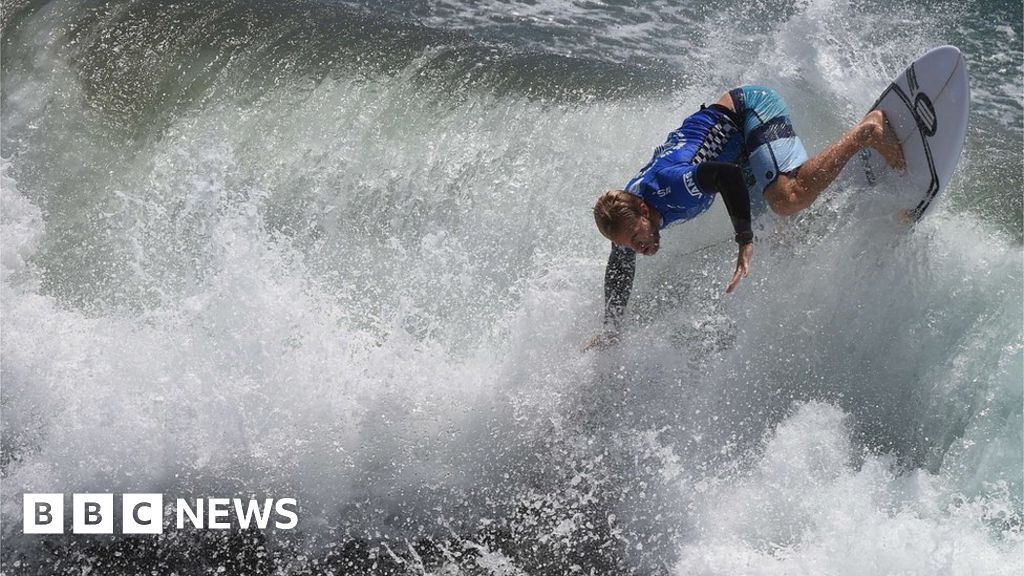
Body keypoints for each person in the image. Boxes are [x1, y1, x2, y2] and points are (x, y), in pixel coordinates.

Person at [590, 85, 904, 345]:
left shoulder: (672, 187)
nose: (637, 248)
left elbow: (726, 177)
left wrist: (744, 240)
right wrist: (612, 330)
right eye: (629, 244)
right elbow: (619, 264)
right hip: (737, 153)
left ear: (644, 210)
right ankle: (840, 191)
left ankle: (867, 132)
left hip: (748, 113)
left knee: (786, 200)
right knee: (782, 236)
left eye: (635, 238)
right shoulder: (627, 215)